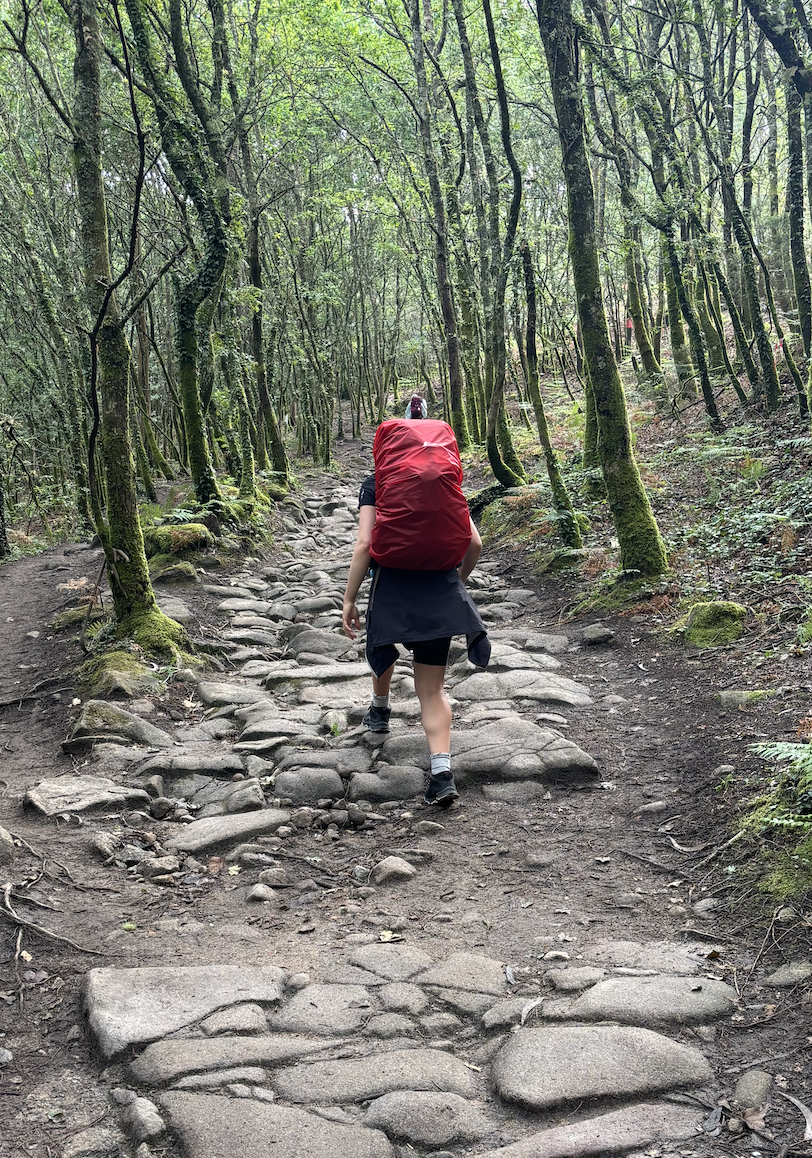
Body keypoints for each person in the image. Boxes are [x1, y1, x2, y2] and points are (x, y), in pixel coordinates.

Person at [342, 394, 489, 808]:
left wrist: (349, 598)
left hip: (393, 584)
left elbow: (365, 545)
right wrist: (456, 582)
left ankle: (380, 709)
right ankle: (441, 772)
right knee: (431, 688)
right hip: (439, 586)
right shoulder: (447, 478)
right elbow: (474, 542)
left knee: (382, 647)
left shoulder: (377, 482)